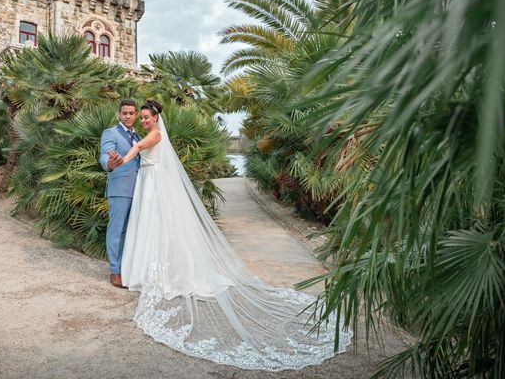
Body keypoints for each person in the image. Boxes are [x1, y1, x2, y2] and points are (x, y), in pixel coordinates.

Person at [116, 100, 351, 371]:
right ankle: (146, 270)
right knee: (150, 224)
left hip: (153, 183)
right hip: (149, 182)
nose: (143, 120)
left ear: (156, 118)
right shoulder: (149, 133)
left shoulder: (154, 135)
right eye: (141, 117)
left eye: (147, 117)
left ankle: (159, 272)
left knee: (156, 224)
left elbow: (137, 149)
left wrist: (121, 160)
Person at [99, 99, 141, 288]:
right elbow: (105, 153)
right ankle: (115, 272)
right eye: (125, 113)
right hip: (120, 189)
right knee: (116, 231)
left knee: (130, 231)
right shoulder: (111, 132)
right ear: (119, 114)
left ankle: (128, 267)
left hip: (140, 190)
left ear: (136, 114)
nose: (128, 116)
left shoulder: (138, 137)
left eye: (131, 113)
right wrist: (109, 164)